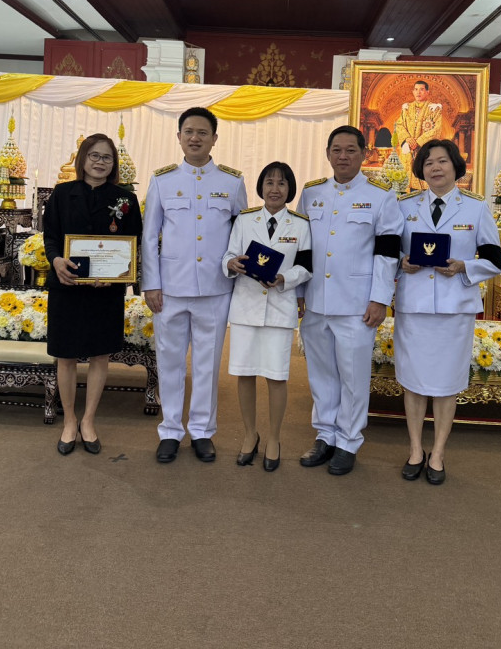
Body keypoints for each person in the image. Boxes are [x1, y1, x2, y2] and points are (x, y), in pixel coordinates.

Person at [142, 107, 248, 464]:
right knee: (169, 361)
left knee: (207, 364)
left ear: (214, 138)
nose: (195, 138)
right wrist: (151, 283)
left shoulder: (232, 182)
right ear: (179, 136)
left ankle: (202, 431)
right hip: (170, 289)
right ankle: (170, 430)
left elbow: (242, 235)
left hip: (216, 289)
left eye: (203, 132)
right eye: (189, 131)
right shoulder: (163, 180)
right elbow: (150, 236)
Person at [395, 138, 501, 485]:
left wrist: (464, 266)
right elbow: (387, 252)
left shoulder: (475, 207)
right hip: (415, 307)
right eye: (428, 163)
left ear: (456, 166)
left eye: (442, 161)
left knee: (446, 383)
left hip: (455, 309)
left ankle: (438, 452)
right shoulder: (404, 206)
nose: (435, 168)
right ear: (420, 170)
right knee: (413, 382)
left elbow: (495, 260)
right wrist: (402, 262)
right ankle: (415, 449)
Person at [297, 126, 402, 475]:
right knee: (321, 374)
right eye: (336, 150)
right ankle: (325, 434)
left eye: (350, 150)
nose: (343, 156)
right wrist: (299, 293)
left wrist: (380, 299)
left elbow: (387, 252)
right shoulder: (311, 193)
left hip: (357, 304)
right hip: (316, 301)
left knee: (353, 377)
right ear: (328, 153)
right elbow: (301, 246)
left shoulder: (380, 196)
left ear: (364, 154)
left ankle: (348, 441)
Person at [44, 132, 142, 456]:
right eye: (95, 156)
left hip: (106, 292)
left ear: (114, 164)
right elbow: (50, 236)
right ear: (83, 159)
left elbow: (133, 243)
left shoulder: (126, 199)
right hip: (67, 286)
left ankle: (88, 420)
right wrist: (56, 260)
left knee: (101, 354)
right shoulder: (61, 194)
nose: (100, 162)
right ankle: (69, 421)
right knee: (66, 355)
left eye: (107, 157)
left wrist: (115, 276)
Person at [223, 162, 312, 472]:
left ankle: (274, 438)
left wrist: (285, 278)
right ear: (261, 187)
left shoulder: (300, 224)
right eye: (270, 182)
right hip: (246, 308)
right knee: (245, 374)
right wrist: (231, 263)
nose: (275, 189)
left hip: (279, 308)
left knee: (276, 376)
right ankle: (250, 434)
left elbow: (306, 266)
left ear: (290, 189)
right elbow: (229, 254)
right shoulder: (245, 220)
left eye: (282, 183)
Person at [394, 79, 443, 190]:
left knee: (425, 185)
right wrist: (407, 138)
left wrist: (418, 142)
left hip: (425, 151)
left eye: (421, 90)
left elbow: (436, 129)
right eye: (416, 89)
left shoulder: (434, 109)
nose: (418, 92)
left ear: (427, 92)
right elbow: (399, 125)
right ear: (413, 92)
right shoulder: (406, 108)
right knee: (408, 186)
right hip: (408, 152)